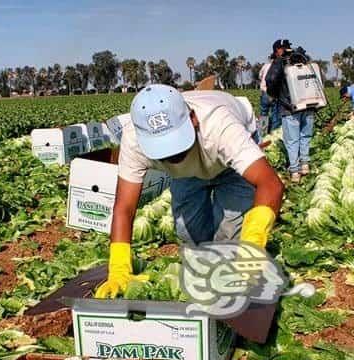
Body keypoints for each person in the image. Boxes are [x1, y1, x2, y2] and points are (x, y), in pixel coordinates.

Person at [95, 85, 285, 299]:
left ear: (193, 119)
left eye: (176, 144)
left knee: (231, 241)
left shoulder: (221, 127)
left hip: (228, 163)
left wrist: (253, 242)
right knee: (188, 232)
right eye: (162, 149)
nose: (172, 154)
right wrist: (119, 269)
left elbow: (270, 184)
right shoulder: (134, 140)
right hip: (186, 173)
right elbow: (124, 208)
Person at [265, 39, 315, 183]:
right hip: (309, 104)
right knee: (305, 136)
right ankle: (305, 165)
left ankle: (294, 171)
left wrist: (275, 94)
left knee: (292, 140)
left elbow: (271, 79)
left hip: (290, 107)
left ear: (278, 50)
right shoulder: (304, 59)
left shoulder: (281, 61)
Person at [258, 54, 281, 134]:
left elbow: (260, 76)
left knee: (264, 113)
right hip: (275, 93)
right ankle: (273, 134)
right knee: (275, 115)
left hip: (264, 92)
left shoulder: (265, 66)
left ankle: (262, 133)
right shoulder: (279, 66)